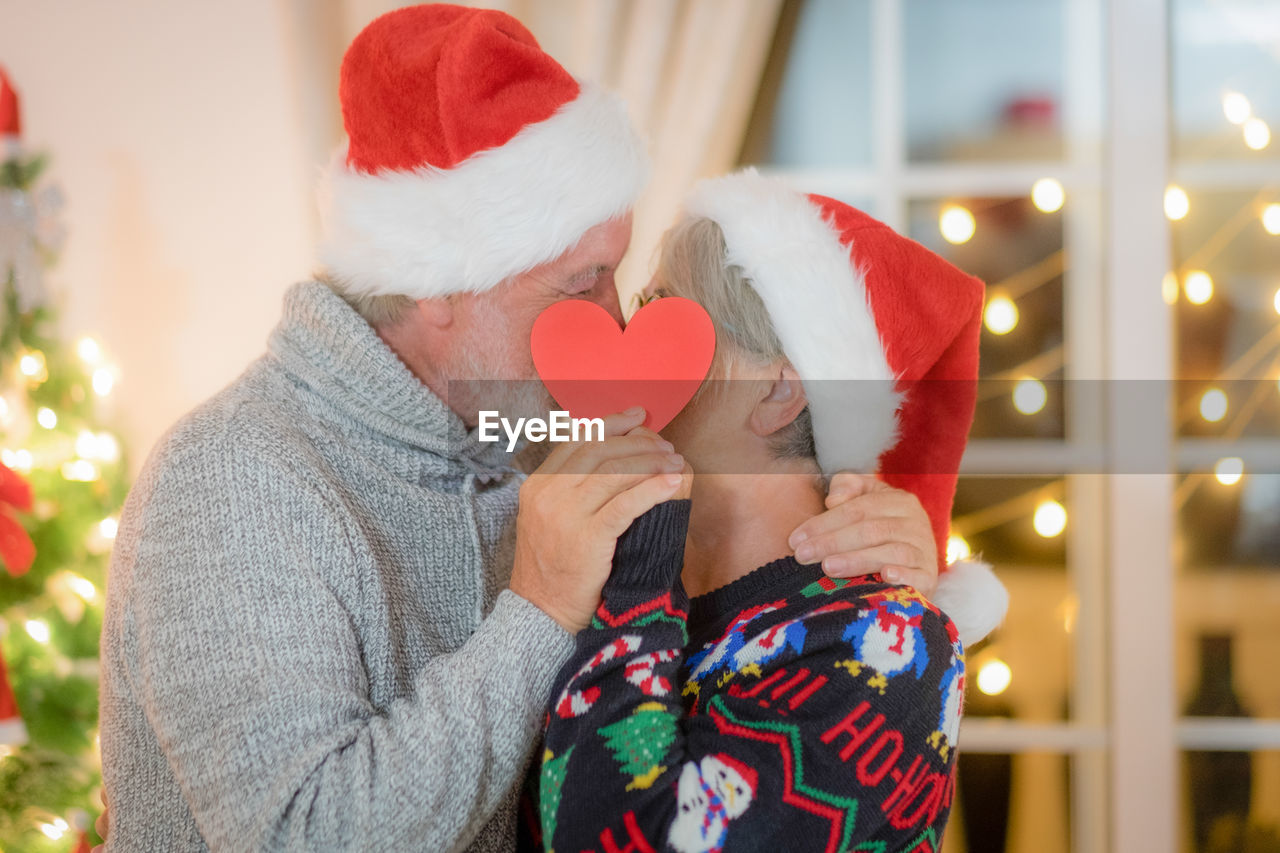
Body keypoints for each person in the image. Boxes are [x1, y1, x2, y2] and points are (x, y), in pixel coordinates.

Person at [96, 6, 952, 851]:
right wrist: (538, 611)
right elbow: (298, 835)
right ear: (438, 284)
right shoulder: (234, 478)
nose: (617, 323)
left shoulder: (548, 443)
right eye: (585, 282)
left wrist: (889, 539)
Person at [524, 171, 1008, 852]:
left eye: (664, 307)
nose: (628, 332)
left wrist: (638, 566)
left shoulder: (888, 642)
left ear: (780, 389)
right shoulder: (592, 569)